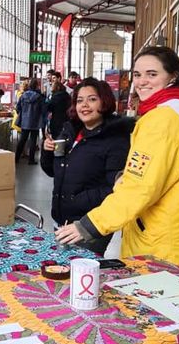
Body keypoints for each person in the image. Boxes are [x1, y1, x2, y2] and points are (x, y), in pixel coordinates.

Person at [55, 46, 179, 268]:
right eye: (137, 75)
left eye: (152, 74)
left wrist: (88, 226)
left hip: (160, 243)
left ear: (174, 76)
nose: (141, 82)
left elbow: (140, 188)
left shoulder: (163, 120)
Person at [41, 78, 134, 255]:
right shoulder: (70, 131)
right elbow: (51, 171)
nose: (85, 105)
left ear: (104, 101)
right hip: (61, 220)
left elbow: (115, 188)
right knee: (62, 271)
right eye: (79, 100)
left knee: (81, 272)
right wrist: (47, 151)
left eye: (92, 99)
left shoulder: (115, 139)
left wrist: (78, 199)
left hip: (88, 224)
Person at [15, 78, 46, 165]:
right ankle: (31, 160)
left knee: (22, 140)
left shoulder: (23, 95)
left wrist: (23, 114)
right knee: (33, 141)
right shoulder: (39, 97)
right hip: (35, 121)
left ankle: (16, 158)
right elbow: (43, 110)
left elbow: (18, 108)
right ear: (37, 86)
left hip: (25, 121)